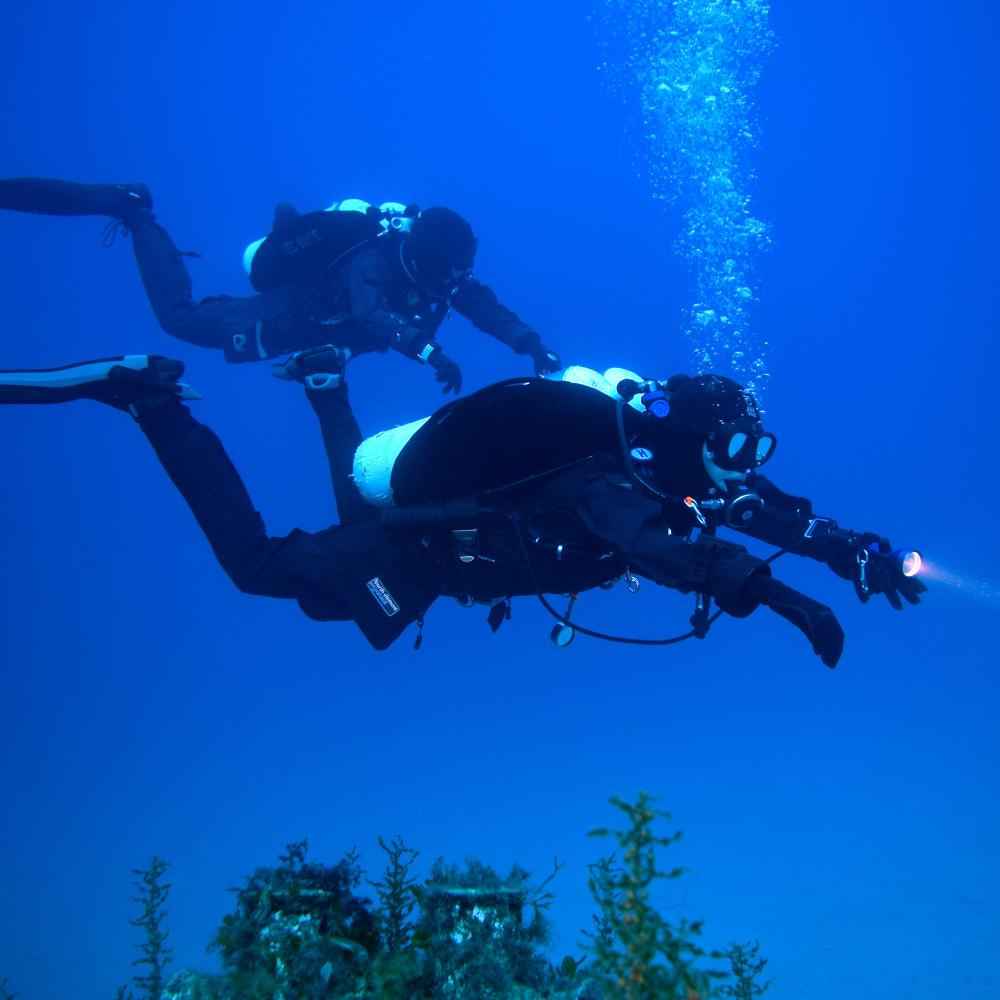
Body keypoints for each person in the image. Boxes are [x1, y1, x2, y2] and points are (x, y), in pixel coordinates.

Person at [0, 356, 925, 666]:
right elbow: (646, 543)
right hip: (432, 551)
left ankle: (326, 386)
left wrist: (857, 555)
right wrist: (783, 599)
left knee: (350, 511)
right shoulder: (608, 472)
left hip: (438, 527)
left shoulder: (670, 460)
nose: (745, 474)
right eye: (739, 451)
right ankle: (146, 399)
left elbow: (769, 513)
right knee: (259, 569)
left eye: (754, 455)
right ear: (692, 434)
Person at [0, 178, 563, 396]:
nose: (457, 280)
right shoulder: (373, 258)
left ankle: (283, 223)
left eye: (461, 269)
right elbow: (368, 311)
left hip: (309, 335)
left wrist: (529, 343)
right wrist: (430, 351)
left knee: (194, 325)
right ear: (423, 254)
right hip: (282, 316)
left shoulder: (444, 276)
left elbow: (486, 307)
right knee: (179, 318)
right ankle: (139, 214)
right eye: (451, 268)